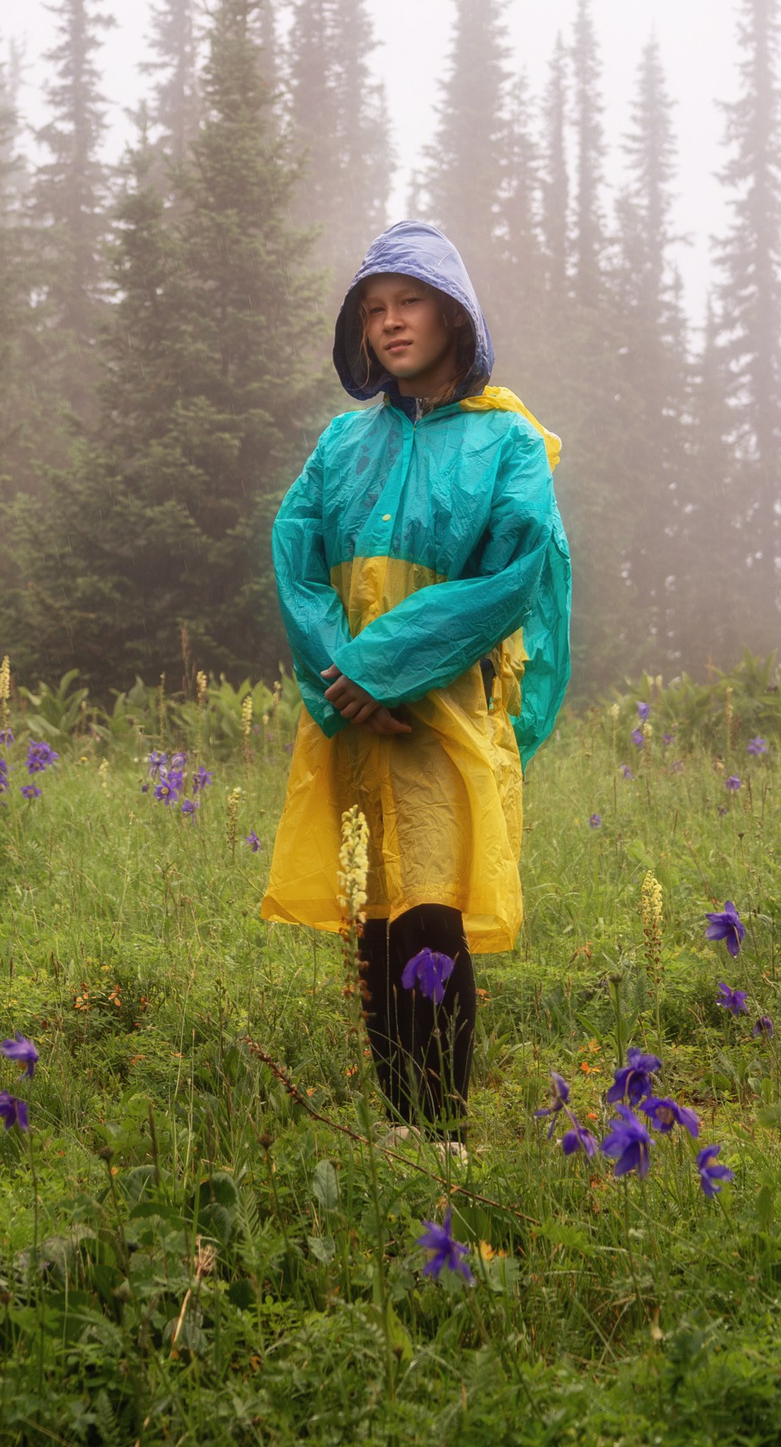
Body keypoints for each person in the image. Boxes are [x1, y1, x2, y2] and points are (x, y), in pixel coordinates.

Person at [258, 221, 571, 1138]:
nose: (391, 323)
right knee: (375, 913)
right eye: (374, 309)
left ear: (454, 316)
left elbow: (515, 573)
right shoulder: (340, 444)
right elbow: (297, 558)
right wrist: (340, 678)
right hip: (351, 712)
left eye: (410, 303)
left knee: (432, 910)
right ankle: (399, 1123)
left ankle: (444, 1134)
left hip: (437, 709)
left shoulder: (507, 442)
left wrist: (383, 667)